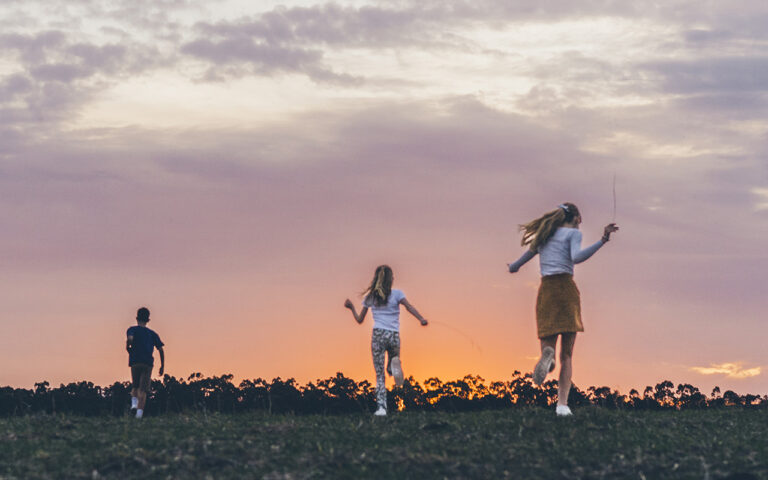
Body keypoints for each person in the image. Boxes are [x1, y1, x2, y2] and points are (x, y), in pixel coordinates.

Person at [507, 203, 618, 417]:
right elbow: (576, 257)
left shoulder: (544, 234)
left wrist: (513, 267)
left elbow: (519, 263)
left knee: (548, 347)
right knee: (567, 355)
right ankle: (562, 406)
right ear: (575, 218)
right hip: (566, 289)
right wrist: (603, 240)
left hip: (546, 291)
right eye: (580, 218)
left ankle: (547, 358)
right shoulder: (573, 234)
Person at [344, 265, 428, 416]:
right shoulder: (397, 294)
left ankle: (382, 408)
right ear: (390, 279)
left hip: (378, 335)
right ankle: (393, 365)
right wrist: (421, 318)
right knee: (394, 360)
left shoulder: (370, 297)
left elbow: (360, 320)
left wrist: (351, 307)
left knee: (379, 375)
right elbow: (409, 307)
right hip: (394, 336)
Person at [126, 307, 165, 419]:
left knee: (135, 386)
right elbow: (161, 350)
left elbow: (130, 339)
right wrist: (162, 366)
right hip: (147, 362)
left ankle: (133, 405)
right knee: (143, 390)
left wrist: (127, 347)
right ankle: (139, 415)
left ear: (137, 318)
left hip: (135, 361)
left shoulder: (132, 329)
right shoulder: (152, 334)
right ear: (148, 320)